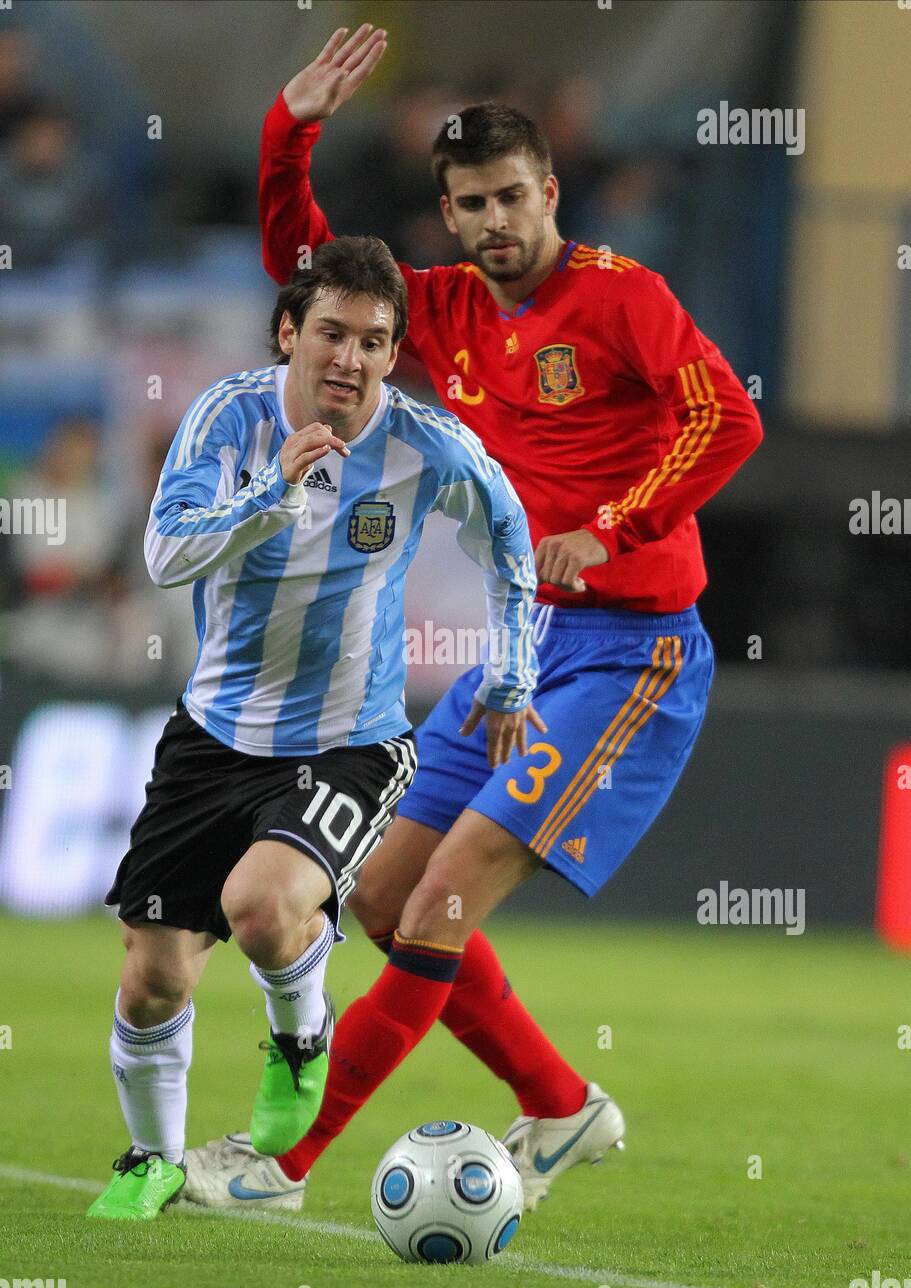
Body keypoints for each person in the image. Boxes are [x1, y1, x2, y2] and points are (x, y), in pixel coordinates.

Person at [186, 25, 763, 1215]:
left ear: (549, 192)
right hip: (522, 646)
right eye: (471, 203)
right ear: (445, 215)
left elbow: (726, 420)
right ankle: (559, 1105)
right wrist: (287, 132)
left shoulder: (623, 299)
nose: (496, 220)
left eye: (512, 196)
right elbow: (303, 267)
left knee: (446, 894)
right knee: (382, 898)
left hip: (634, 651)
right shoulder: (436, 311)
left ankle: (279, 1165)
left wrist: (614, 522)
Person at [86, 235, 539, 1219]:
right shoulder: (228, 416)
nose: (350, 357)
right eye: (331, 333)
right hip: (214, 735)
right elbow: (166, 553)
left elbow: (509, 532)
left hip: (351, 741)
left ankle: (299, 1036)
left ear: (391, 352)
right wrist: (273, 491)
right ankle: (151, 1159)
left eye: (374, 341)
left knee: (261, 903)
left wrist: (511, 672)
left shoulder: (425, 444)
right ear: (289, 331)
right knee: (153, 979)